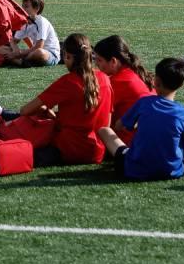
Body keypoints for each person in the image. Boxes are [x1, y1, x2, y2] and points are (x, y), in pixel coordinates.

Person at [98, 58, 184, 181]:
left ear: (156, 81)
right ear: (181, 84)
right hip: (170, 170)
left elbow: (118, 126)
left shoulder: (144, 102)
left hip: (133, 168)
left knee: (104, 131)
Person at [17, 33, 113, 165]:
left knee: (24, 132)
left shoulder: (68, 82)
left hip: (68, 149)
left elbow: (25, 110)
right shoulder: (105, 79)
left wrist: (45, 110)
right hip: (98, 152)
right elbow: (106, 123)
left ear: (67, 56)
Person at [93, 34, 155, 144]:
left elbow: (95, 114)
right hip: (151, 137)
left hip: (129, 142)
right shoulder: (138, 73)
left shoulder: (118, 82)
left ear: (113, 61)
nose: (96, 64)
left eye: (99, 60)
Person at [0, 0, 60, 67]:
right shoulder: (24, 22)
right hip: (31, 53)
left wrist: (19, 54)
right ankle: (22, 63)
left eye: (26, 7)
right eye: (22, 6)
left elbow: (39, 46)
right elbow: (13, 40)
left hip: (50, 55)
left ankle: (18, 61)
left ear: (36, 9)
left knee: (39, 53)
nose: (23, 9)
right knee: (0, 49)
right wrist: (15, 51)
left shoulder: (42, 22)